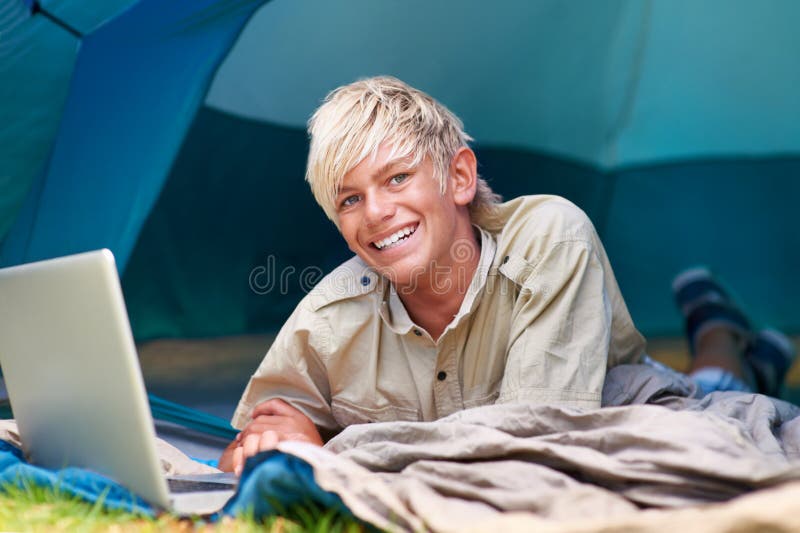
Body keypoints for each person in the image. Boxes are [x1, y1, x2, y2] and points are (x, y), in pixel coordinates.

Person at [218, 76, 794, 474]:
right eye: (349, 200)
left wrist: (338, 447)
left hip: (637, 395)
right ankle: (745, 349)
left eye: (397, 179)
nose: (376, 212)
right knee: (728, 380)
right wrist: (285, 436)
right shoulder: (330, 316)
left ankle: (722, 334)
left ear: (460, 178)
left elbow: (533, 438)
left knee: (720, 393)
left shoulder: (549, 237)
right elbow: (250, 438)